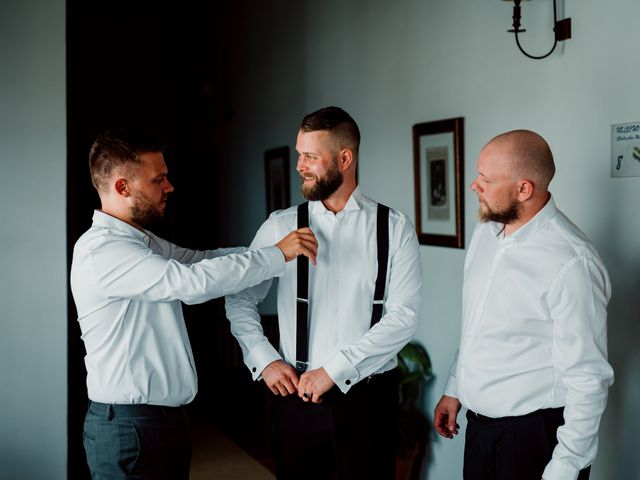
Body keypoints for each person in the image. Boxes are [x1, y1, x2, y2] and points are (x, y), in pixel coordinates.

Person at [70, 129, 318, 479]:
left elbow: (201, 260)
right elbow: (193, 283)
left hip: (160, 423)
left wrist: (270, 246)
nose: (169, 186)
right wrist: (278, 254)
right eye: (159, 179)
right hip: (130, 427)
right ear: (123, 187)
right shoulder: (104, 251)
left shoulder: (141, 241)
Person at [225, 106, 422, 479]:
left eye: (310, 156)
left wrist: (333, 371)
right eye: (299, 154)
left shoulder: (394, 228)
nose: (300, 165)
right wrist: (264, 359)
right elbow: (240, 298)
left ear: (344, 158)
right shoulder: (279, 225)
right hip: (296, 399)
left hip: (369, 399)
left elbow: (404, 318)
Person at [433, 130, 614, 480]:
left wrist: (564, 467)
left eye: (485, 179)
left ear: (524, 189)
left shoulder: (572, 263)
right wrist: (455, 388)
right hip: (480, 432)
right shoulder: (486, 232)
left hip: (534, 441)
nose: (474, 186)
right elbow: (478, 326)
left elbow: (588, 378)